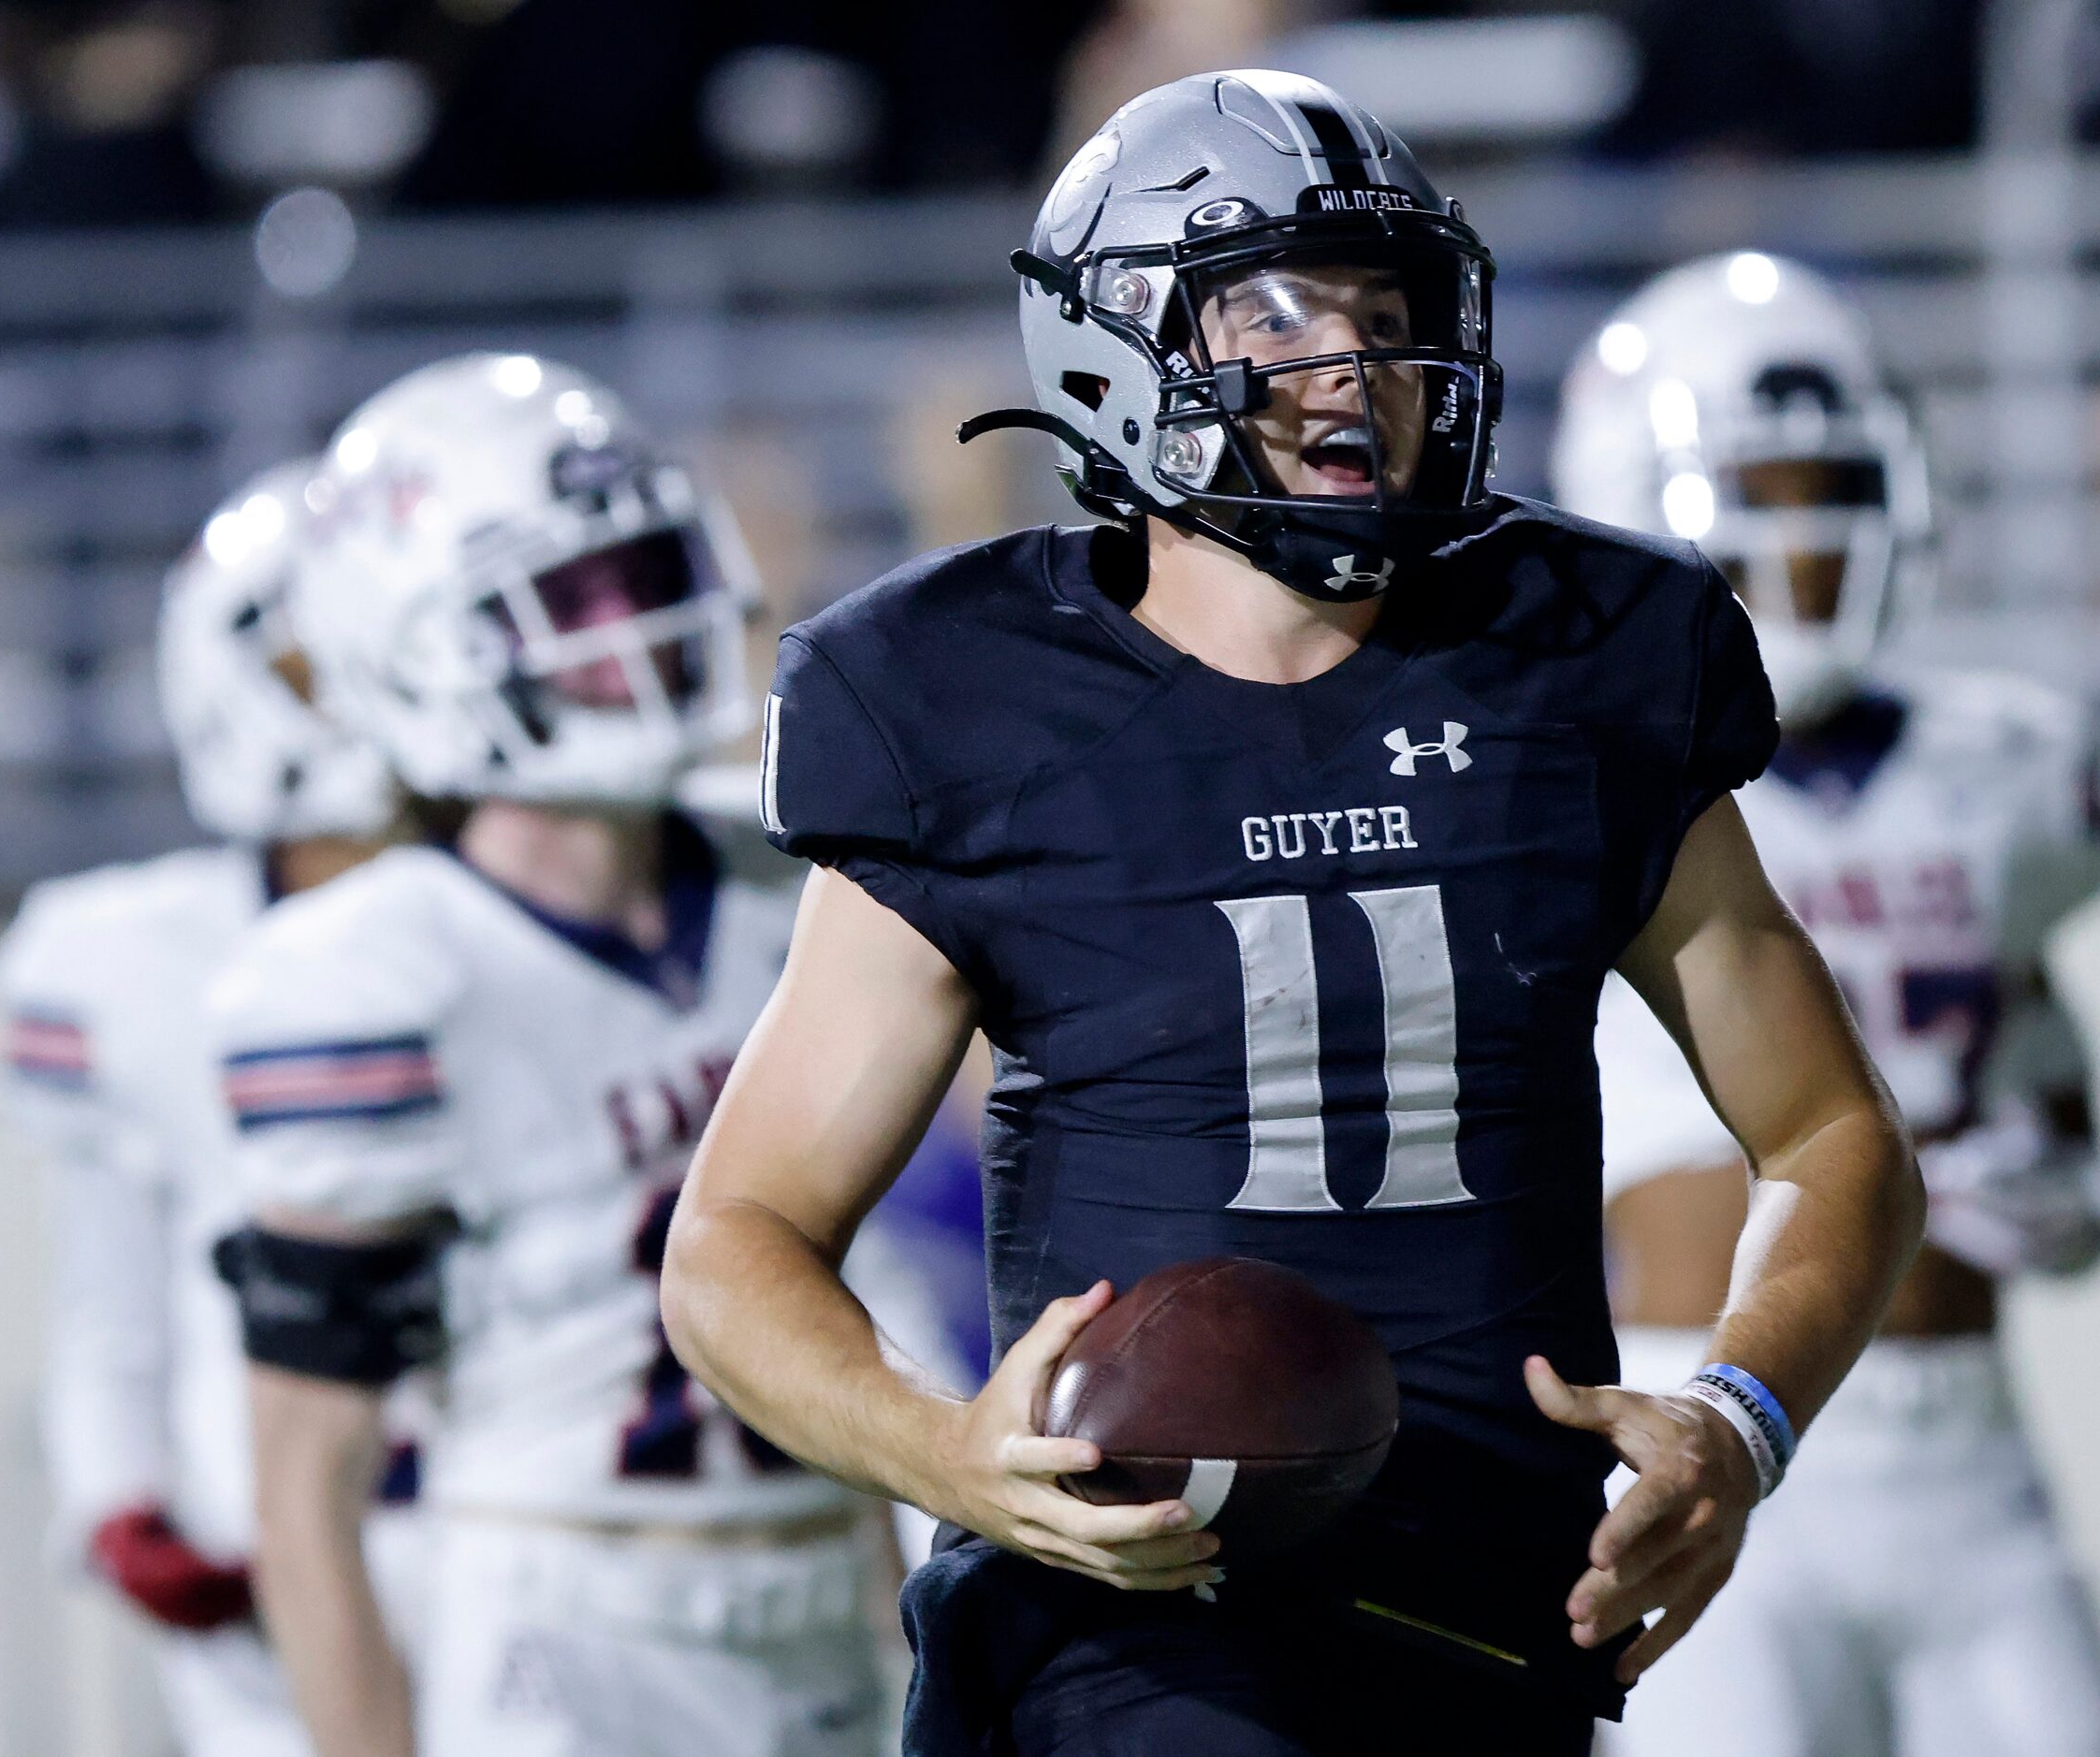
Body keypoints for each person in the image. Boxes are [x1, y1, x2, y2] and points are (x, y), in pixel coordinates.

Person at [659, 71, 1924, 1755]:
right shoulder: (960, 701)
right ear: (1118, 346)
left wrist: (1740, 1414)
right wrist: (943, 1449)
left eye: (1384, 311)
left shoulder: (1585, 659)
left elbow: (1835, 1135)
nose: (1352, 361)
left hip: (1495, 1616)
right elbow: (733, 1245)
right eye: (1275, 309)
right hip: (1126, 1619)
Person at [211, 354, 928, 1757]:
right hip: (568, 1624)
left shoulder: (793, 882)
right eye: (576, 597)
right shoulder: (375, 969)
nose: (644, 626)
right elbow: (305, 1485)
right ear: (424, 643)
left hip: (821, 1597)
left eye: (647, 571)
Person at [1553, 252, 2100, 1757]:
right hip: (1700, 1405)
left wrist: (2063, 1170)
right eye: (1760, 486)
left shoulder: (2001, 764)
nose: (1800, 536)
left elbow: (2037, 1035)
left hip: (1968, 1446)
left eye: (1830, 484)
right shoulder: (1586, 767)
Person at [0, 460, 411, 1757]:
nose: (362, 696)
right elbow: (110, 1300)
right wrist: (125, 1506)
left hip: (544, 1545)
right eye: (317, 663)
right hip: (269, 1587)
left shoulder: (530, 922)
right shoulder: (126, 961)